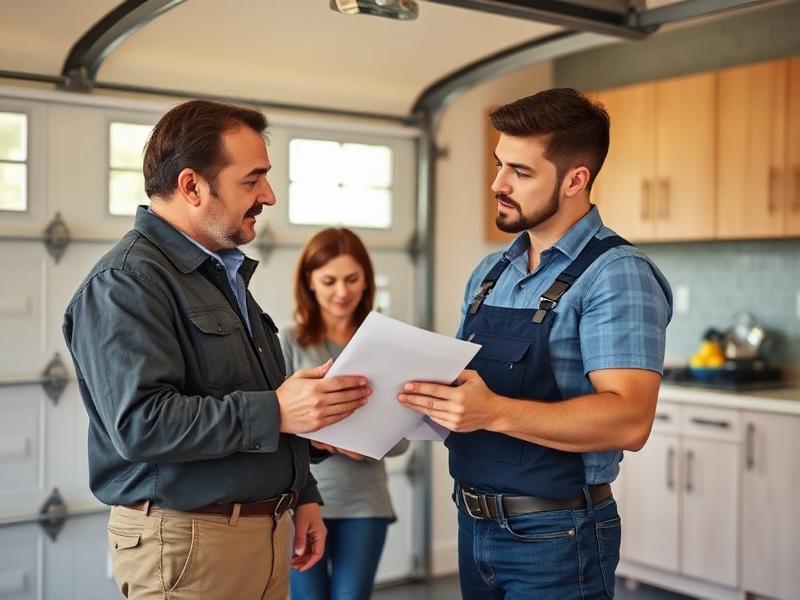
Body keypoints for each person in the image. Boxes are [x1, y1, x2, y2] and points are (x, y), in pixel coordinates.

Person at [62, 100, 372, 600]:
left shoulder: (221, 275)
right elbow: (142, 424)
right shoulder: (126, 283)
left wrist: (304, 492)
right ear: (192, 186)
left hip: (266, 532)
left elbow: (248, 402)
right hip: (188, 545)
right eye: (252, 180)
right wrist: (277, 410)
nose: (268, 196)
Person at [399, 88, 673, 599]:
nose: (496, 184)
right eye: (499, 164)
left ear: (575, 180)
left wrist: (493, 411)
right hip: (474, 523)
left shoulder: (616, 275)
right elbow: (465, 392)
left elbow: (630, 420)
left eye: (520, 172)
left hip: (557, 536)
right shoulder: (491, 273)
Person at [281, 227, 409, 600]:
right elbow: (274, 428)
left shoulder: (385, 345)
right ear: (309, 282)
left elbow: (401, 443)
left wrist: (369, 444)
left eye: (352, 279)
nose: (342, 291)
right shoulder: (287, 342)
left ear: (366, 280)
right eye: (329, 280)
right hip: (299, 503)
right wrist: (332, 442)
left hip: (365, 503)